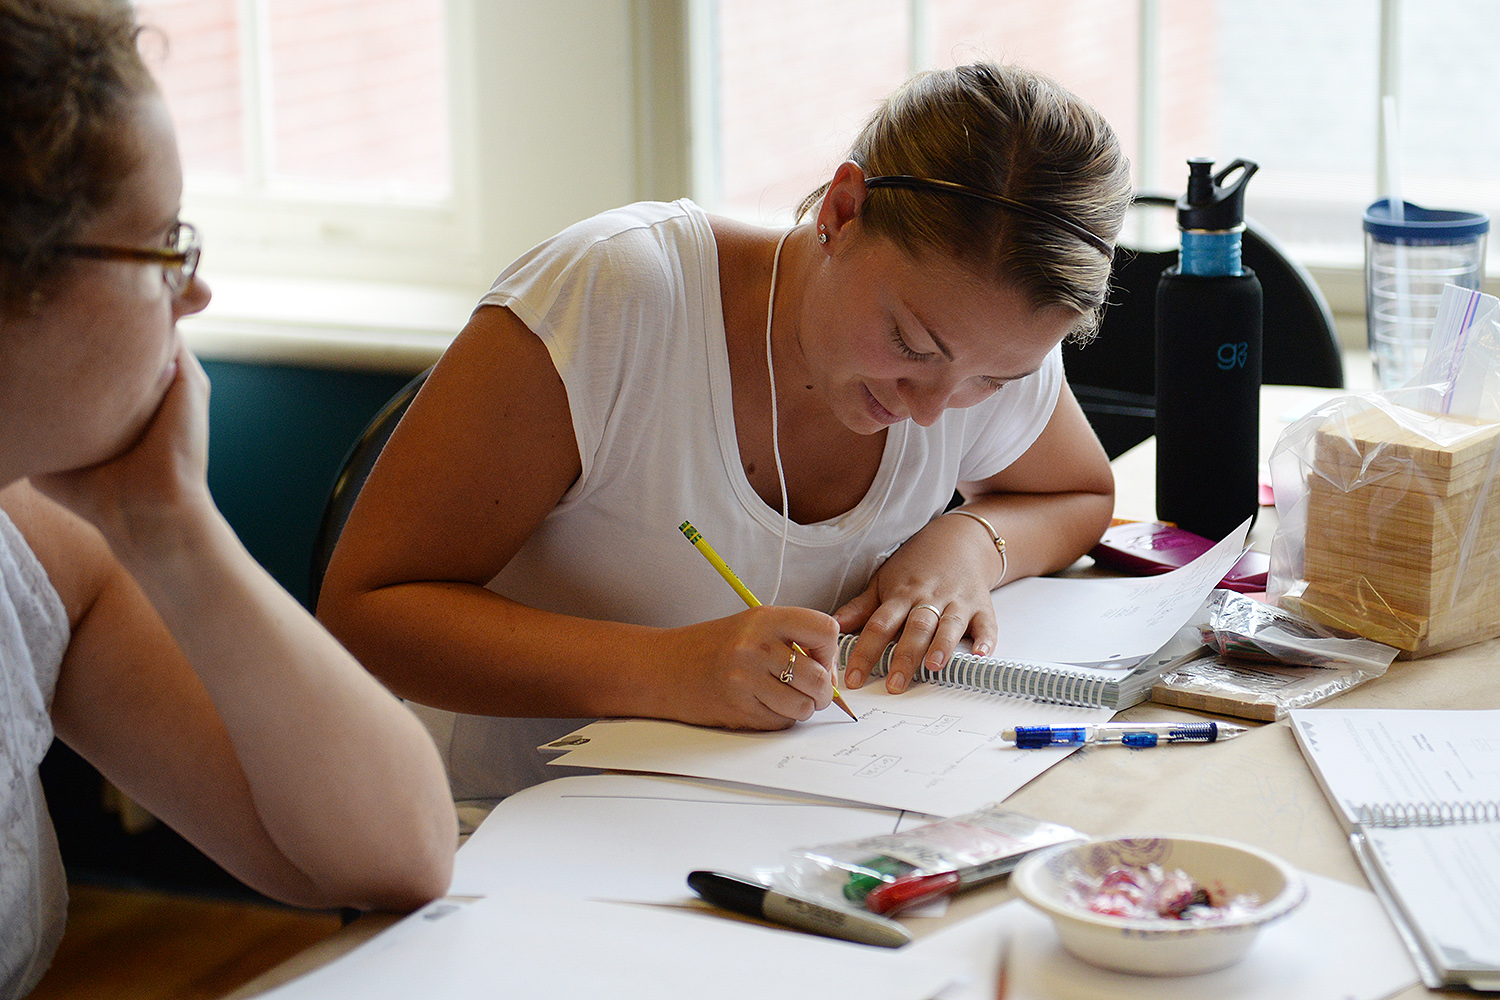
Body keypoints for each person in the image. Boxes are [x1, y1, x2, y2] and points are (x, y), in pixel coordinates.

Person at [317, 62, 1131, 803]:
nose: (935, 407)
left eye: (996, 380)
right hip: (501, 827)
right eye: (913, 346)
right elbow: (366, 614)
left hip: (766, 820)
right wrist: (668, 670)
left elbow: (1077, 491)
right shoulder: (615, 295)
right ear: (843, 213)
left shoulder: (976, 329)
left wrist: (966, 545)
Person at [0, 1, 456, 993]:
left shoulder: (36, 552)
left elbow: (399, 849)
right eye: (164, 243)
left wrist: (173, 528)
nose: (195, 293)